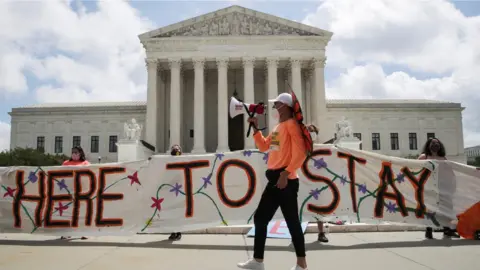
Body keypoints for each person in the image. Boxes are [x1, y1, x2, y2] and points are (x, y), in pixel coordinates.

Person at [237, 93, 309, 270]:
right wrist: (255, 129)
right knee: (260, 218)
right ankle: (258, 261)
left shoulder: (292, 125)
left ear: (285, 106)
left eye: (277, 104)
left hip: (286, 181)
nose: (275, 107)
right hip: (275, 180)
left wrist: (286, 173)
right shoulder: (279, 126)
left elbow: (301, 153)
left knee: (291, 221)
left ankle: (302, 263)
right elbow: (264, 146)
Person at [418, 138, 460, 239]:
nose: (435, 145)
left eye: (437, 143)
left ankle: (447, 230)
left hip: (443, 186)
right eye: (433, 143)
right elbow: (416, 169)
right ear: (428, 145)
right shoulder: (424, 157)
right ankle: (429, 230)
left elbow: (450, 172)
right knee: (430, 209)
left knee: (447, 208)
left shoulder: (443, 158)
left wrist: (452, 185)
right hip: (429, 187)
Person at [306, 124, 329, 243]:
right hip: (303, 182)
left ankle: (321, 233)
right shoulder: (301, 147)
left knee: (319, 209)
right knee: (300, 207)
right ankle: (297, 234)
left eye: (313, 131)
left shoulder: (321, 149)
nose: (311, 133)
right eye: (308, 131)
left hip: (317, 183)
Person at [61, 146, 90, 240]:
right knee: (68, 212)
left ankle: (84, 232)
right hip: (69, 191)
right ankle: (67, 232)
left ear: (80, 153)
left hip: (82, 191)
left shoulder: (86, 163)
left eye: (76, 152)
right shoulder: (66, 163)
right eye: (72, 152)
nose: (74, 154)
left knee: (82, 212)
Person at [168, 144, 183, 241]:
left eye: (177, 150)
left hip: (180, 191)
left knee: (178, 213)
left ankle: (178, 232)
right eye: (174, 150)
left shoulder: (182, 161)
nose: (175, 151)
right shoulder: (168, 161)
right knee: (172, 213)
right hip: (171, 191)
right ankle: (173, 232)